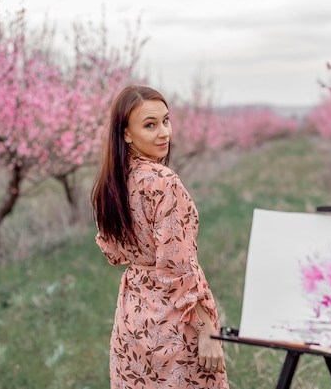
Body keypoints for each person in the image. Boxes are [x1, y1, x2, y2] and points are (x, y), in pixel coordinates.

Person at [91, 85, 229, 388]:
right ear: (126, 134)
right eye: (150, 125)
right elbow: (177, 268)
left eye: (165, 121)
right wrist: (207, 330)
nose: (164, 132)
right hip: (174, 321)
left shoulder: (111, 182)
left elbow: (113, 254)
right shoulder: (164, 182)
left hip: (132, 316)